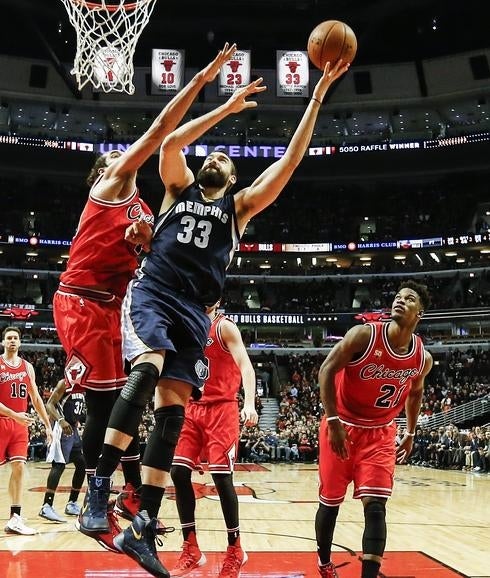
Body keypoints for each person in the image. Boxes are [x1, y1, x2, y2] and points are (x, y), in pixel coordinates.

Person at [81, 57, 350, 578]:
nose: (220, 155)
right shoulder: (177, 190)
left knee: (173, 411)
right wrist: (224, 107)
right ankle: (98, 487)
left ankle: (142, 526)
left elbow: (290, 164)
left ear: (232, 179)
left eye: (227, 159)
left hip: (194, 313)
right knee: (149, 367)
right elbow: (170, 144)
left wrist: (316, 96)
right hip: (155, 292)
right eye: (217, 153)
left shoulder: (240, 209)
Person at [53, 43, 237, 551]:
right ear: (103, 171)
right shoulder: (111, 187)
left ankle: (129, 499)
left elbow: (166, 252)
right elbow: (161, 135)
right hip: (85, 301)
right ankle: (93, 501)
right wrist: (203, 81)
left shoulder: (146, 206)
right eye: (113, 156)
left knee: (133, 402)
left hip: (121, 302)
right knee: (104, 402)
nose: (120, 156)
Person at [314, 280, 433, 578]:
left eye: (409, 299)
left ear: (420, 313)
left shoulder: (422, 358)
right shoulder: (364, 335)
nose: (400, 301)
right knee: (330, 503)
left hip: (380, 432)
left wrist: (410, 433)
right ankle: (324, 563)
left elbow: (416, 392)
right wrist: (332, 420)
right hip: (341, 425)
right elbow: (326, 369)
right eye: (397, 296)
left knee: (376, 506)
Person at [169, 303, 258, 578]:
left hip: (222, 408)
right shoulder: (185, 324)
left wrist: (250, 403)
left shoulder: (224, 327)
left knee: (221, 479)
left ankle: (235, 549)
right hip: (191, 407)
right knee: (178, 472)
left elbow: (246, 366)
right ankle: (191, 548)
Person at [0, 326, 53, 535]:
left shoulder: (27, 367)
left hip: (20, 425)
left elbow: (36, 399)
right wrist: (14, 415)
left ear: (20, 342)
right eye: (8, 338)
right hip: (3, 420)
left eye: (15, 338)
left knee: (19, 468)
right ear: (3, 342)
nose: (12, 341)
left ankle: (15, 517)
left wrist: (48, 425)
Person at [39, 379, 86, 523]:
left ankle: (72, 503)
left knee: (82, 464)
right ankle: (47, 505)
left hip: (73, 429)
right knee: (59, 465)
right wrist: (60, 420)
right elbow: (49, 405)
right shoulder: (64, 383)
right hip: (61, 428)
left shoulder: (84, 384)